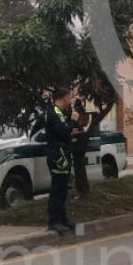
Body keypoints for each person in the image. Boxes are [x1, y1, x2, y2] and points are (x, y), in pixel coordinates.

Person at [45, 88, 81, 234]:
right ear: (64, 98)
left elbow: (63, 132)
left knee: (63, 188)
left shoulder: (59, 113)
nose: (70, 101)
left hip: (62, 154)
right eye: (69, 98)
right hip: (57, 155)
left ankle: (62, 218)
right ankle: (54, 221)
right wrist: (72, 121)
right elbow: (63, 132)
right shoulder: (54, 113)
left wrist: (71, 129)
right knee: (57, 188)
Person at [70, 99, 92, 198]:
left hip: (77, 142)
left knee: (78, 168)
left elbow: (74, 126)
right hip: (82, 141)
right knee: (81, 166)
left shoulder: (75, 114)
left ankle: (81, 189)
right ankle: (85, 188)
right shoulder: (84, 113)